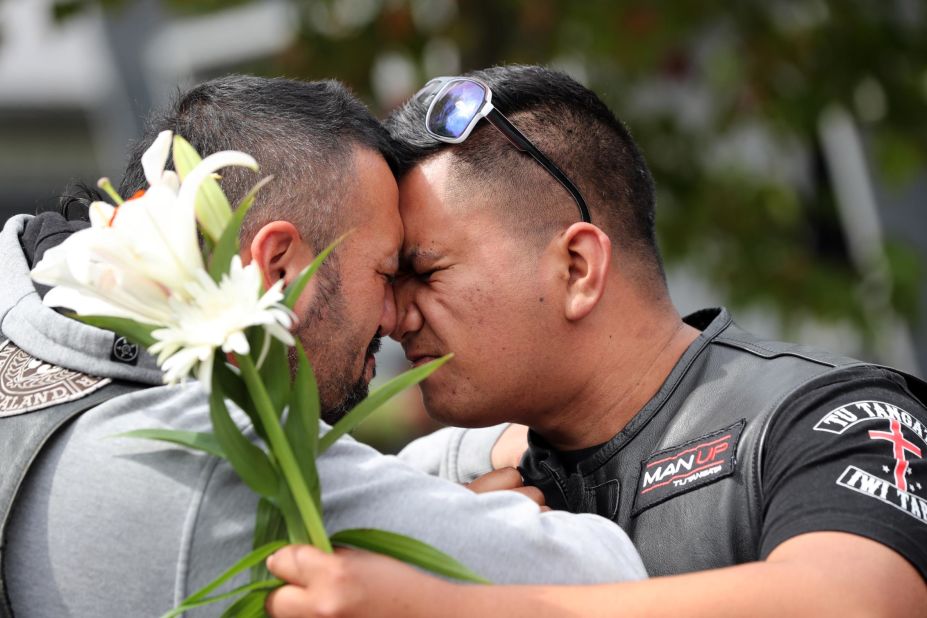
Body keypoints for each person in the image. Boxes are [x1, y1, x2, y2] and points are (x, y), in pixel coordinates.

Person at [265, 66, 927, 616]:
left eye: (424, 272)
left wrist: (453, 602)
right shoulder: (446, 480)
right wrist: (451, 540)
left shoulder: (830, 418)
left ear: (577, 269)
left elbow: (853, 601)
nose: (390, 315)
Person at [0, 75, 647, 617]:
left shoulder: (34, 330)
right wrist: (449, 539)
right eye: (386, 270)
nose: (395, 316)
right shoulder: (201, 455)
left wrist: (467, 460)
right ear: (276, 266)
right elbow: (603, 573)